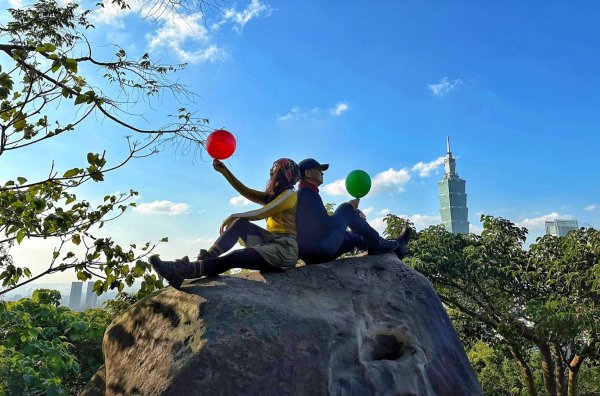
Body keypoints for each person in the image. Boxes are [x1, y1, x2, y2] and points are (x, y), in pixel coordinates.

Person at [150, 158, 301, 289]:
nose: (270, 174)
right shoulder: (274, 196)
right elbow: (245, 191)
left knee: (236, 256)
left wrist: (234, 215)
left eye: (273, 171)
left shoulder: (290, 195)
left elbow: (262, 213)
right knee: (240, 223)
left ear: (283, 175)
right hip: (270, 241)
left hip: (285, 248)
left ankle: (182, 271)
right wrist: (225, 172)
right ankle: (207, 258)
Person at [296, 158, 409, 264]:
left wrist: (352, 212)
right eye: (319, 170)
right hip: (320, 251)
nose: (322, 173)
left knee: (354, 236)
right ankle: (378, 243)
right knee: (345, 208)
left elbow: (319, 226)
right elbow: (325, 227)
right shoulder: (307, 194)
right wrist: (349, 209)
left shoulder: (305, 193)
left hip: (315, 253)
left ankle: (395, 247)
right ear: (308, 174)